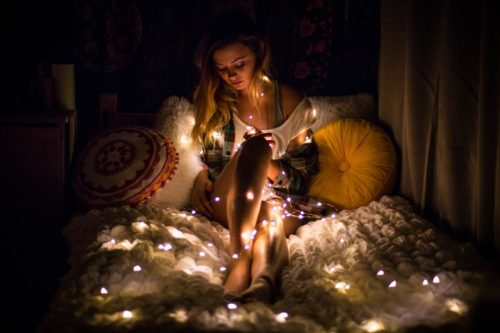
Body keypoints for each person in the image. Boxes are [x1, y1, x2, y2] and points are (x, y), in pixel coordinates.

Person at [190, 9, 318, 302]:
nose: (230, 75)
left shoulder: (296, 105)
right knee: (255, 145)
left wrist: (269, 164)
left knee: (271, 215)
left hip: (281, 202)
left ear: (259, 53)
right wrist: (200, 177)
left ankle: (263, 281)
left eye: (238, 64)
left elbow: (301, 182)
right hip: (231, 205)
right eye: (221, 69)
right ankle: (238, 258)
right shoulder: (217, 103)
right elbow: (209, 162)